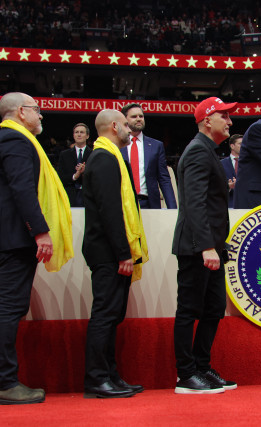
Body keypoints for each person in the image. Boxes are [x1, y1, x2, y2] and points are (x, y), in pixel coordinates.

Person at [0, 92, 73, 404]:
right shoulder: (15, 141)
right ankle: (3, 383)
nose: (41, 116)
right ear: (21, 112)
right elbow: (23, 189)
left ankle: (4, 381)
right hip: (14, 237)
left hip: (9, 236)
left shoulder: (8, 140)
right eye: (37, 110)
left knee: (13, 307)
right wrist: (41, 231)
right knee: (10, 308)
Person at [172, 97, 238, 394]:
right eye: (224, 116)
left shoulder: (206, 151)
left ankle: (201, 367)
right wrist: (206, 247)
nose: (230, 121)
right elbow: (195, 204)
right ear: (207, 119)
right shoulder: (198, 151)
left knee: (213, 308)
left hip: (209, 246)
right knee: (189, 309)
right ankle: (185, 375)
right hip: (197, 247)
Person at [82, 109, 148, 398]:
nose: (129, 129)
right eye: (124, 124)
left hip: (111, 251)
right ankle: (97, 379)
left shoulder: (108, 157)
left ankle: (110, 375)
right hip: (108, 252)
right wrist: (123, 252)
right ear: (113, 126)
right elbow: (111, 211)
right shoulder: (104, 158)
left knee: (112, 316)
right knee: (105, 315)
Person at [119, 103, 177, 209]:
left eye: (141, 116)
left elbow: (164, 178)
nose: (139, 119)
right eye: (134, 116)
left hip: (149, 204)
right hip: (124, 204)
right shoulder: (117, 146)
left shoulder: (156, 146)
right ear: (125, 119)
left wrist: (172, 209)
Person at [57, 123, 91, 207]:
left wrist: (85, 172)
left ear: (87, 136)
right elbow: (60, 177)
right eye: (76, 132)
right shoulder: (64, 155)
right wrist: (75, 176)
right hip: (70, 196)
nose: (79, 134)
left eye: (82, 132)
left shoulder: (93, 154)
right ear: (73, 135)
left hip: (88, 197)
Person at [221, 133, 242, 208]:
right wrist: (229, 187)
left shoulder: (249, 164)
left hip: (246, 207)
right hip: (228, 205)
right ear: (232, 146)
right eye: (240, 144)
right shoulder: (221, 164)